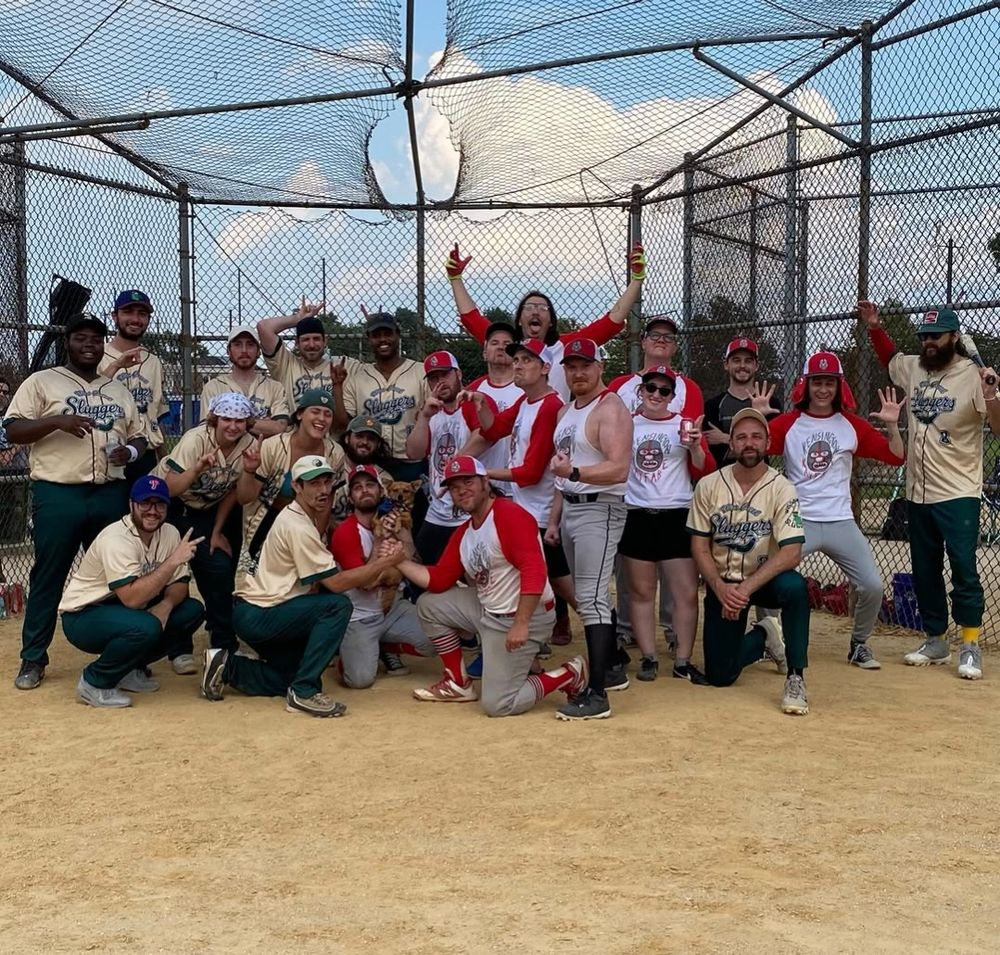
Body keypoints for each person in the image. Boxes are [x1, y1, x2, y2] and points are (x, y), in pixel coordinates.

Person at [201, 455, 405, 717]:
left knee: (290, 675)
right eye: (314, 484)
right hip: (261, 613)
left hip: (261, 610)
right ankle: (304, 693)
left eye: (326, 482)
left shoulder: (299, 516)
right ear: (297, 487)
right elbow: (335, 583)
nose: (323, 490)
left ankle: (226, 667)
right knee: (337, 606)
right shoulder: (297, 524)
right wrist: (384, 563)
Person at [4, 312, 145, 690]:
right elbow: (13, 429)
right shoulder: (42, 382)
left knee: (118, 576)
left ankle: (123, 658)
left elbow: (140, 437)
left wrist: (129, 454)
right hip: (59, 492)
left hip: (109, 491)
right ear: (68, 342)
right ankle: (33, 658)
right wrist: (56, 422)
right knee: (49, 575)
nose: (89, 345)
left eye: (96, 340)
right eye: (82, 338)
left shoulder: (116, 389)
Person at [385, 455, 589, 717]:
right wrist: (399, 561)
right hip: (489, 609)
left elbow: (535, 570)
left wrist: (521, 622)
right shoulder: (465, 531)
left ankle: (569, 673)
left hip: (524, 614)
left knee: (498, 705)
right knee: (429, 604)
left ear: (485, 482)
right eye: (455, 487)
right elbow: (439, 580)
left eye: (468, 482)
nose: (461, 490)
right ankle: (457, 682)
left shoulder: (508, 515)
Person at [860, 301, 1000, 679]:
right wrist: (875, 327)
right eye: (924, 337)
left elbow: (999, 429)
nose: (929, 343)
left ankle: (970, 644)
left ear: (955, 337)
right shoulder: (916, 368)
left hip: (958, 493)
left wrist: (990, 393)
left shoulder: (973, 374)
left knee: (964, 571)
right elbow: (891, 358)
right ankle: (936, 639)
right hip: (918, 492)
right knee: (924, 571)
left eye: (936, 336)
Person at [762, 351, 905, 669]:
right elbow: (755, 450)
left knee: (872, 585)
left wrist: (894, 426)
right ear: (806, 385)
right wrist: (759, 417)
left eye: (829, 383)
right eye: (817, 382)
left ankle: (859, 644)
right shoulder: (789, 423)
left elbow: (896, 457)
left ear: (839, 387)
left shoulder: (851, 426)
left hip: (840, 519)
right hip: (798, 518)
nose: (823, 389)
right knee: (768, 574)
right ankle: (772, 640)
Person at [687, 408, 811, 715]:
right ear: (731, 444)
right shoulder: (709, 485)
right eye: (741, 437)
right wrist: (719, 587)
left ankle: (796, 676)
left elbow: (792, 552)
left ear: (768, 443)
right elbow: (699, 546)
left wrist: (746, 589)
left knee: (795, 587)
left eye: (756, 436)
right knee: (720, 676)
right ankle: (765, 635)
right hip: (724, 584)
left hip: (763, 580)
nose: (749, 443)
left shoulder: (782, 487)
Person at [58, 476, 205, 707]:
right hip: (83, 616)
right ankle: (94, 682)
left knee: (192, 611)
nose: (152, 511)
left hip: (120, 609)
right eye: (145, 503)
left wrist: (165, 606)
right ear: (131, 505)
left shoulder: (170, 533)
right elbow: (132, 599)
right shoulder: (116, 538)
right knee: (146, 626)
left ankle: (128, 669)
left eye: (160, 504)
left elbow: (180, 585)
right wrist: (173, 561)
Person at [466, 339, 576, 647]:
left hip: (539, 512)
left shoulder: (549, 405)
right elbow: (493, 430)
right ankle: (542, 640)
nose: (517, 364)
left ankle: (606, 640)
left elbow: (529, 473)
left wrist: (483, 473)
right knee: (545, 581)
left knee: (561, 584)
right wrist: (482, 403)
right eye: (516, 360)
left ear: (545, 369)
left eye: (527, 360)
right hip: (527, 509)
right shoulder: (525, 401)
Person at [546, 339, 633, 720]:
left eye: (585, 365)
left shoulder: (610, 407)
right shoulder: (567, 410)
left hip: (602, 507)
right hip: (573, 508)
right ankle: (612, 667)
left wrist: (575, 474)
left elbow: (619, 468)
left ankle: (597, 695)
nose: (578, 373)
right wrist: (554, 518)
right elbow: (563, 474)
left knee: (593, 597)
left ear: (600, 367)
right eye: (571, 366)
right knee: (588, 593)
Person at [607, 314, 705, 654]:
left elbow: (691, 438)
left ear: (675, 347)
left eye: (668, 336)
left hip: (673, 497)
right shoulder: (621, 385)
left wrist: (694, 447)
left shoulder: (686, 388)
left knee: (676, 579)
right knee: (633, 576)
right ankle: (626, 630)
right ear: (644, 342)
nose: (661, 340)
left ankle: (671, 631)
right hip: (632, 497)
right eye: (654, 335)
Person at [446, 242, 646, 401]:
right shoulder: (507, 344)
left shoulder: (566, 347)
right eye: (529, 307)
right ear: (519, 320)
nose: (536, 311)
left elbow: (611, 322)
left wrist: (636, 278)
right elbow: (471, 318)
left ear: (551, 321)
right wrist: (455, 279)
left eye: (543, 308)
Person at [620, 365, 715, 683]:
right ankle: (648, 656)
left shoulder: (683, 426)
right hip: (638, 513)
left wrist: (695, 447)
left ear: (673, 396)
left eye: (664, 391)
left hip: (676, 514)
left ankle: (683, 660)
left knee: (685, 593)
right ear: (641, 391)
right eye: (651, 388)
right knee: (642, 591)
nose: (656, 395)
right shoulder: (627, 425)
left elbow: (704, 470)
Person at [152, 392, 256, 673]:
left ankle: (223, 643)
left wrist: (217, 531)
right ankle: (178, 648)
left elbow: (235, 493)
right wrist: (197, 468)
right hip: (169, 506)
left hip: (208, 509)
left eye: (240, 420)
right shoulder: (196, 439)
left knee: (219, 567)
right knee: (175, 573)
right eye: (226, 419)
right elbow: (171, 487)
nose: (233, 426)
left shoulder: (248, 444)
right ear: (215, 419)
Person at [329, 465, 436, 687]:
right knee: (359, 680)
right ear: (350, 497)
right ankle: (348, 655)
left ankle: (386, 646)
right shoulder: (346, 532)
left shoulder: (397, 520)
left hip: (393, 607)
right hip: (361, 615)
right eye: (357, 487)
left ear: (381, 491)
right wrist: (379, 543)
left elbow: (414, 564)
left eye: (370, 485)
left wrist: (405, 537)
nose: (365, 490)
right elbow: (365, 583)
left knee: (437, 638)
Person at [231, 389, 345, 578]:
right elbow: (244, 499)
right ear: (300, 414)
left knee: (303, 582)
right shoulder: (273, 446)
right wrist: (249, 470)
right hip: (269, 521)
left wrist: (314, 539)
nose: (322, 418)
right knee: (259, 580)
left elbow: (326, 505)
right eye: (315, 411)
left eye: (328, 414)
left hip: (308, 523)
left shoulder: (335, 453)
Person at [405, 351, 496, 565]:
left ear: (459, 374)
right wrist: (424, 417)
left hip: (469, 507)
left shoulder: (472, 402)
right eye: (434, 378)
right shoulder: (431, 412)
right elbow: (414, 452)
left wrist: (454, 467)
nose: (440, 382)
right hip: (438, 508)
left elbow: (484, 437)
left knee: (473, 569)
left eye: (445, 375)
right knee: (424, 565)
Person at [334, 310, 428, 482]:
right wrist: (337, 386)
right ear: (369, 338)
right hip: (373, 461)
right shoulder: (357, 378)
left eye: (388, 334)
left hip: (412, 461)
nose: (383, 339)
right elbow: (343, 423)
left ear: (398, 335)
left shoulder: (420, 371)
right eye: (377, 335)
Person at [98, 289, 170, 477]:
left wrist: (164, 459)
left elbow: (157, 414)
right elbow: (91, 396)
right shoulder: (98, 356)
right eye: (128, 312)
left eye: (142, 314)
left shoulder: (153, 362)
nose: (135, 319)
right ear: (115, 316)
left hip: (145, 453)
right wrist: (115, 366)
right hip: (108, 451)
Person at [256, 299, 358, 410]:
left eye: (316, 339)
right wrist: (297, 318)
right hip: (295, 427)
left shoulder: (342, 365)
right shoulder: (286, 365)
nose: (311, 345)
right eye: (305, 339)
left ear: (325, 341)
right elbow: (263, 327)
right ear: (296, 342)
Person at [200, 325, 290, 439]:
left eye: (250, 345)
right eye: (237, 344)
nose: (244, 350)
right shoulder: (213, 387)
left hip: (265, 454)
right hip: (227, 455)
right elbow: (208, 430)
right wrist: (262, 424)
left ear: (258, 351)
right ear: (229, 351)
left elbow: (279, 427)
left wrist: (229, 421)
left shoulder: (274, 387)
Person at [703, 337, 781, 468]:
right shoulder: (713, 405)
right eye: (736, 360)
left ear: (756, 366)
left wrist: (724, 438)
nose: (742, 366)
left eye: (748, 361)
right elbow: (713, 450)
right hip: (723, 477)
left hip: (760, 477)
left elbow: (773, 447)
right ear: (726, 365)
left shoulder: (770, 402)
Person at [465, 321, 521, 498]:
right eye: (495, 343)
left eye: (507, 344)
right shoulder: (472, 391)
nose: (501, 348)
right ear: (484, 352)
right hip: (484, 484)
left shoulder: (527, 388)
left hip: (519, 484)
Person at [331, 414, 393, 524]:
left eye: (371, 439)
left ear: (378, 445)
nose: (365, 442)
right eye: (359, 436)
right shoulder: (331, 467)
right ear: (347, 438)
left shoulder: (384, 479)